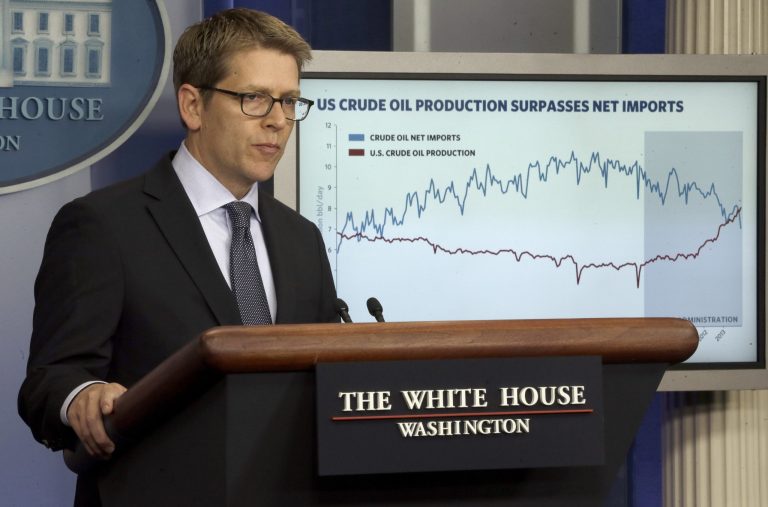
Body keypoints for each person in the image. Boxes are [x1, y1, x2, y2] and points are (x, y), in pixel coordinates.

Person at [18, 8, 337, 505]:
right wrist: (82, 397)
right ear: (192, 105)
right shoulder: (104, 225)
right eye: (254, 98)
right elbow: (49, 381)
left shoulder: (303, 239)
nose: (278, 120)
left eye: (290, 101)